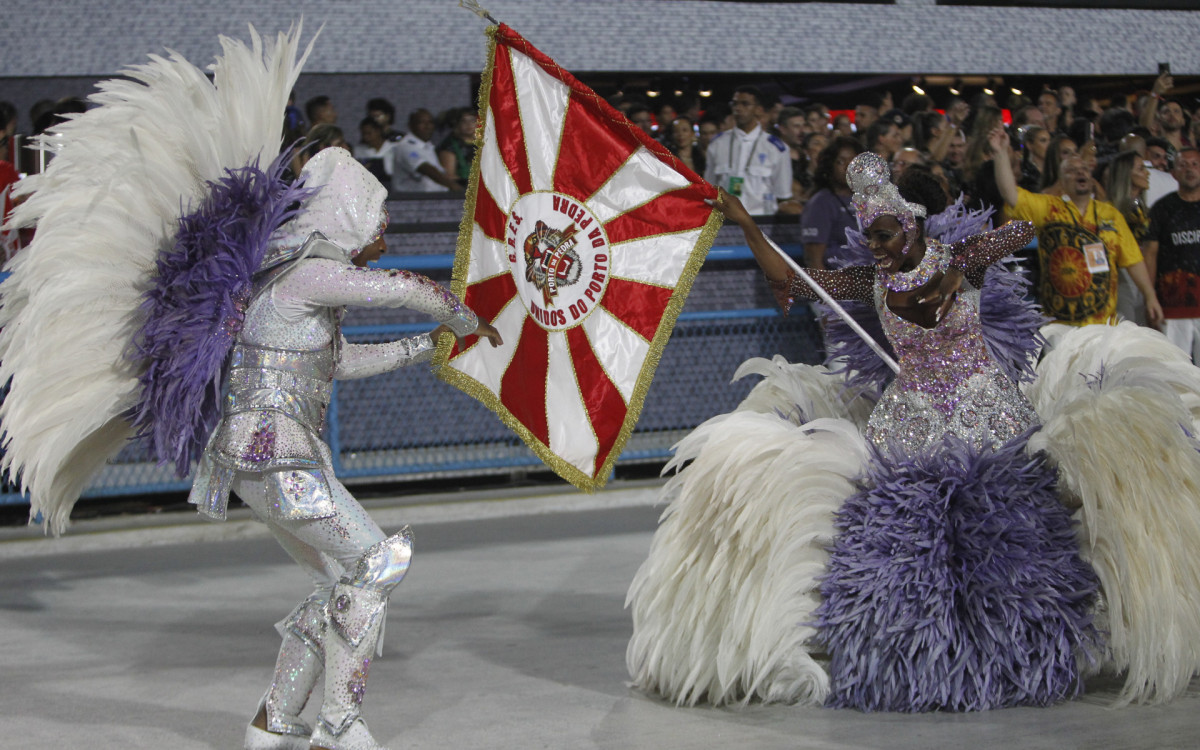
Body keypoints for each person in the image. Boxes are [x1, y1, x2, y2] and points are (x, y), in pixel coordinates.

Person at [628, 155, 1100, 711]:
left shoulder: (960, 261)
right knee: (909, 540)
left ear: (913, 226)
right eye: (867, 236)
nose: (874, 245)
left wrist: (957, 272)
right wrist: (746, 225)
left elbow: (1023, 228)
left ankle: (1024, 645)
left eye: (883, 234)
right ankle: (914, 655)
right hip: (912, 419)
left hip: (984, 412)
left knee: (1005, 531)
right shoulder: (870, 282)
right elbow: (789, 279)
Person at [181, 149, 500, 750]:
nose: (383, 241)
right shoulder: (304, 274)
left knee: (339, 583)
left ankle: (273, 721)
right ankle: (338, 723)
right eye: (380, 227)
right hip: (279, 458)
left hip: (260, 462)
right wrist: (464, 320)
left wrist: (425, 347)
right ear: (348, 219)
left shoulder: (286, 282)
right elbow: (403, 288)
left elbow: (338, 362)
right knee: (378, 561)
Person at [991, 127, 1163, 327]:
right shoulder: (1048, 208)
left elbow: (1133, 260)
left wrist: (1150, 296)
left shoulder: (1110, 215)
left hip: (1103, 325)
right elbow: (1010, 194)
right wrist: (1000, 153)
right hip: (1059, 326)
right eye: (1071, 171)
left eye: (1083, 169)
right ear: (1062, 183)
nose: (1080, 172)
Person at [703, 85, 796, 215]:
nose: (738, 108)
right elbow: (710, 190)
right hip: (725, 223)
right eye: (734, 104)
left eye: (745, 104)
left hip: (761, 222)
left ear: (758, 109)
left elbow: (783, 194)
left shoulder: (776, 148)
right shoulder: (717, 144)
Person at [1144, 147, 1200, 359]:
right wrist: (1149, 298)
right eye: (1183, 165)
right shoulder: (1162, 209)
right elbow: (1150, 255)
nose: (1190, 170)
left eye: (1195, 164)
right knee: (1176, 373)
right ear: (1173, 172)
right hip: (1174, 306)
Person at [799, 136, 863, 270]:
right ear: (829, 166)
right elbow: (813, 260)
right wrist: (826, 289)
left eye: (853, 162)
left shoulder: (869, 199)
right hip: (838, 282)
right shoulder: (821, 202)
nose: (848, 167)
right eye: (841, 161)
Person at [394, 108, 461, 193]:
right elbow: (425, 168)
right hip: (410, 200)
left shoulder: (428, 145)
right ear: (410, 125)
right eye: (422, 122)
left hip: (433, 198)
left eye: (430, 122)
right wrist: (454, 186)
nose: (428, 126)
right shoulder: (405, 147)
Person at [436, 107, 478, 189]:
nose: (468, 124)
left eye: (472, 120)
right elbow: (450, 175)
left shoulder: (483, 142)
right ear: (457, 124)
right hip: (461, 189)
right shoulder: (449, 145)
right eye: (464, 121)